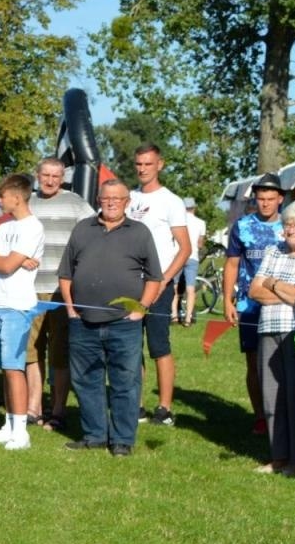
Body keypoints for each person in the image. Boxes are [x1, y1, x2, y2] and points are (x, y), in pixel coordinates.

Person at [58, 179, 162, 457]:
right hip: (83, 321)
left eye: (118, 198)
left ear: (127, 202)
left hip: (124, 323)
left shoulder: (140, 232)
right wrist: (70, 308)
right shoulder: (83, 229)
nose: (112, 202)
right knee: (85, 380)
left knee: (125, 382)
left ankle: (122, 440)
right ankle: (94, 435)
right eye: (107, 198)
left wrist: (141, 308)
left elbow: (155, 277)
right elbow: (66, 273)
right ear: (99, 200)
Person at [247, 199, 295, 477]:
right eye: (287, 224)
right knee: (271, 396)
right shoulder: (273, 251)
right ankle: (278, 456)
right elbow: (254, 291)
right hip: (268, 328)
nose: (290, 230)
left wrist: (273, 283)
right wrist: (286, 292)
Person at [26, 156, 94, 431]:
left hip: (61, 290)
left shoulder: (77, 203)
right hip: (29, 289)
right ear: (38, 175)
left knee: (59, 353)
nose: (51, 180)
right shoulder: (28, 203)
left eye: (56, 176)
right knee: (30, 351)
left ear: (63, 177)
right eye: (46, 175)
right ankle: (33, 406)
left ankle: (58, 410)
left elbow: (93, 233)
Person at [126, 144, 191, 426]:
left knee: (158, 345)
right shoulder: (128, 198)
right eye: (139, 164)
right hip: (130, 283)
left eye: (148, 164)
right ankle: (135, 404)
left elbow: (185, 248)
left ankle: (164, 408)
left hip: (159, 284)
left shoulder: (171, 201)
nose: (142, 169)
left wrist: (165, 279)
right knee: (129, 345)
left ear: (160, 165)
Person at [0, 174, 45, 450]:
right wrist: (1, 260)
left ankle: (21, 432)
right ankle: (8, 424)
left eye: (2, 195)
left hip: (18, 306)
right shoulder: (4, 228)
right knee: (3, 366)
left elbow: (4, 265)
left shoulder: (33, 228)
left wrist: (1, 261)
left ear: (17, 197)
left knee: (14, 367)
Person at [224, 174, 285, 434]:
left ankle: (283, 413)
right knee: (254, 362)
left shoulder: (290, 226)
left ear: (281, 199)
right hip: (249, 305)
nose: (265, 204)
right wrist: (228, 299)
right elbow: (232, 263)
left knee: (283, 361)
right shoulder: (242, 226)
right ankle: (260, 415)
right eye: (261, 199)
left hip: (282, 304)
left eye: (270, 199)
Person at [174, 198, 207, 325]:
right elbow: (200, 244)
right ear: (194, 207)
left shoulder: (178, 221)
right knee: (190, 288)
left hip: (178, 256)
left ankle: (174, 315)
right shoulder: (201, 223)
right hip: (192, 256)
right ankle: (188, 318)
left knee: (175, 287)